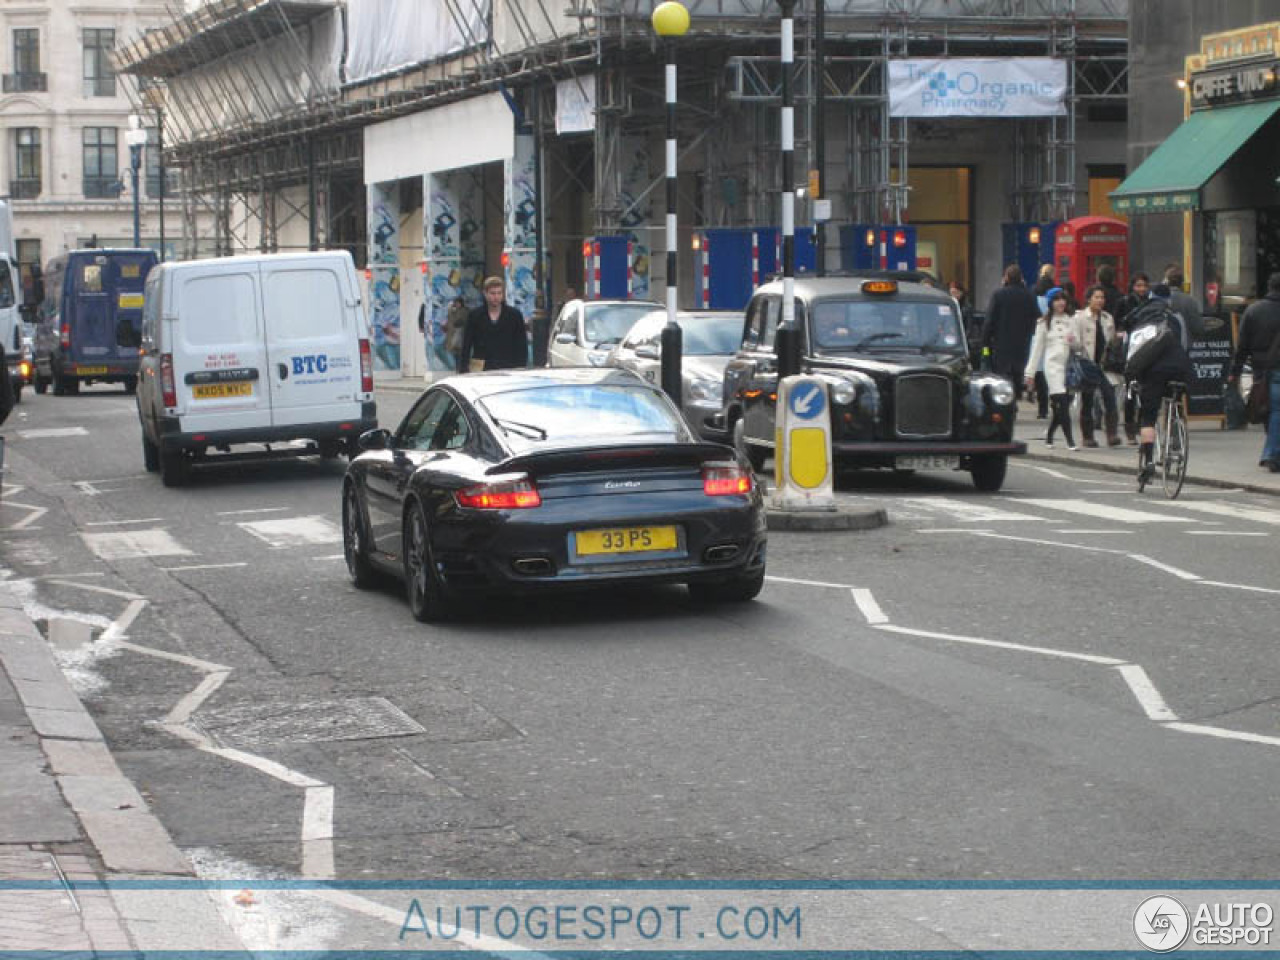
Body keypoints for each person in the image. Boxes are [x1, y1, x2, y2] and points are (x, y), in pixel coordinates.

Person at [1129, 284, 1193, 484]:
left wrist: (1131, 374)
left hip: (1153, 372)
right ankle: (1176, 437)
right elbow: (1184, 345)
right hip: (1179, 369)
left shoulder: (1140, 319)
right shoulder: (1177, 319)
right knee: (1174, 400)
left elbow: (1132, 350)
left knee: (1148, 416)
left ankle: (1148, 461)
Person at [1228, 271, 1280, 472]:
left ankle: (1272, 454)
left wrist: (1235, 371)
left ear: (1269, 287)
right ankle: (1273, 453)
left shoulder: (1253, 311)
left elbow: (1242, 346)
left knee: (1270, 410)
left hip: (1261, 368)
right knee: (1275, 411)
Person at [1024, 287, 1079, 449]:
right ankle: (1070, 441)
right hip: (1052, 367)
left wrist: (1073, 340)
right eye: (1057, 299)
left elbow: (1078, 345)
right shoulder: (1043, 323)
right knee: (1061, 403)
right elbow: (1037, 349)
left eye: (1063, 299)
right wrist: (1030, 373)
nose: (1061, 302)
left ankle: (1049, 436)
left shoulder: (1071, 320)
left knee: (1061, 407)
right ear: (1050, 303)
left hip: (1067, 368)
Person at [1072, 284, 1120, 447]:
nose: (1100, 300)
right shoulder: (1079, 318)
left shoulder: (1107, 318)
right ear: (1089, 299)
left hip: (1105, 365)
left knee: (1110, 398)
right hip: (1088, 364)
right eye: (1097, 297)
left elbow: (1112, 341)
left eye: (1102, 297)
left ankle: (1112, 434)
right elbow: (1074, 341)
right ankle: (1088, 436)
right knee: (1088, 400)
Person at [983, 264, 1039, 398]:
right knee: (1018, 372)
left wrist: (985, 343)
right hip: (1022, 343)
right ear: (1021, 278)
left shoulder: (999, 294)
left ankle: (1006, 399)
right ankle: (1017, 394)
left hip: (1001, 343)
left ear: (1006, 277)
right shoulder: (1029, 295)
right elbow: (1037, 317)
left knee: (1002, 375)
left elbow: (989, 320)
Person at [457, 276, 528, 374]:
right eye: (493, 293)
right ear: (485, 293)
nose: (496, 297)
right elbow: (466, 344)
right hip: (481, 367)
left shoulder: (514, 315)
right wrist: (463, 369)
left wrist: (521, 368)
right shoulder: (475, 316)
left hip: (507, 367)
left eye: (499, 293)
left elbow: (521, 345)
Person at [1116, 273, 1151, 442]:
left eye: (1144, 285)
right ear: (1132, 287)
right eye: (1138, 286)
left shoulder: (1151, 304)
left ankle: (1141, 423)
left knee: (1146, 391)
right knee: (1130, 391)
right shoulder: (1124, 302)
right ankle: (1129, 426)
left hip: (1147, 349)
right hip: (1130, 349)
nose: (1142, 289)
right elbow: (1118, 324)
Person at [1164, 264, 1204, 335]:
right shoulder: (1190, 301)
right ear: (1182, 283)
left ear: (1167, 282)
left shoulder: (1159, 299)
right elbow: (1197, 328)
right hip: (1185, 343)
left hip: (1164, 343)